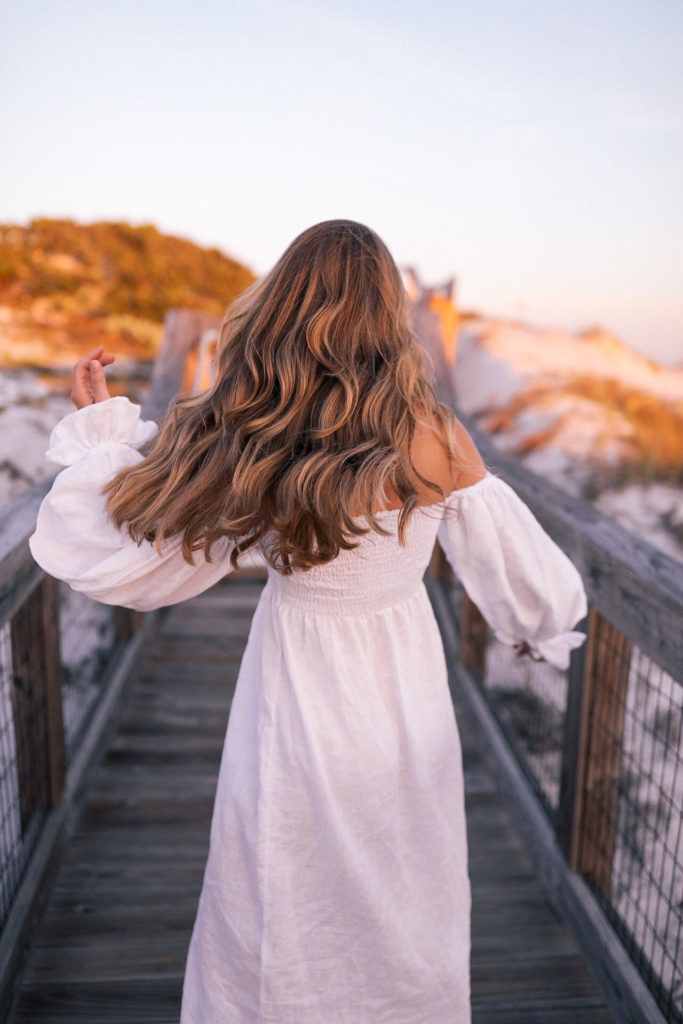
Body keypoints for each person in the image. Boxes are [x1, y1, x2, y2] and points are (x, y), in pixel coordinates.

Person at [30, 220, 587, 1024]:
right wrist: (538, 625)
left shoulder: (252, 429)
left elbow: (122, 547)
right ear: (386, 317)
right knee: (404, 877)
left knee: (279, 869)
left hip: (293, 677)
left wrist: (104, 432)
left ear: (283, 304)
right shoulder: (430, 435)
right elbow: (528, 581)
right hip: (400, 685)